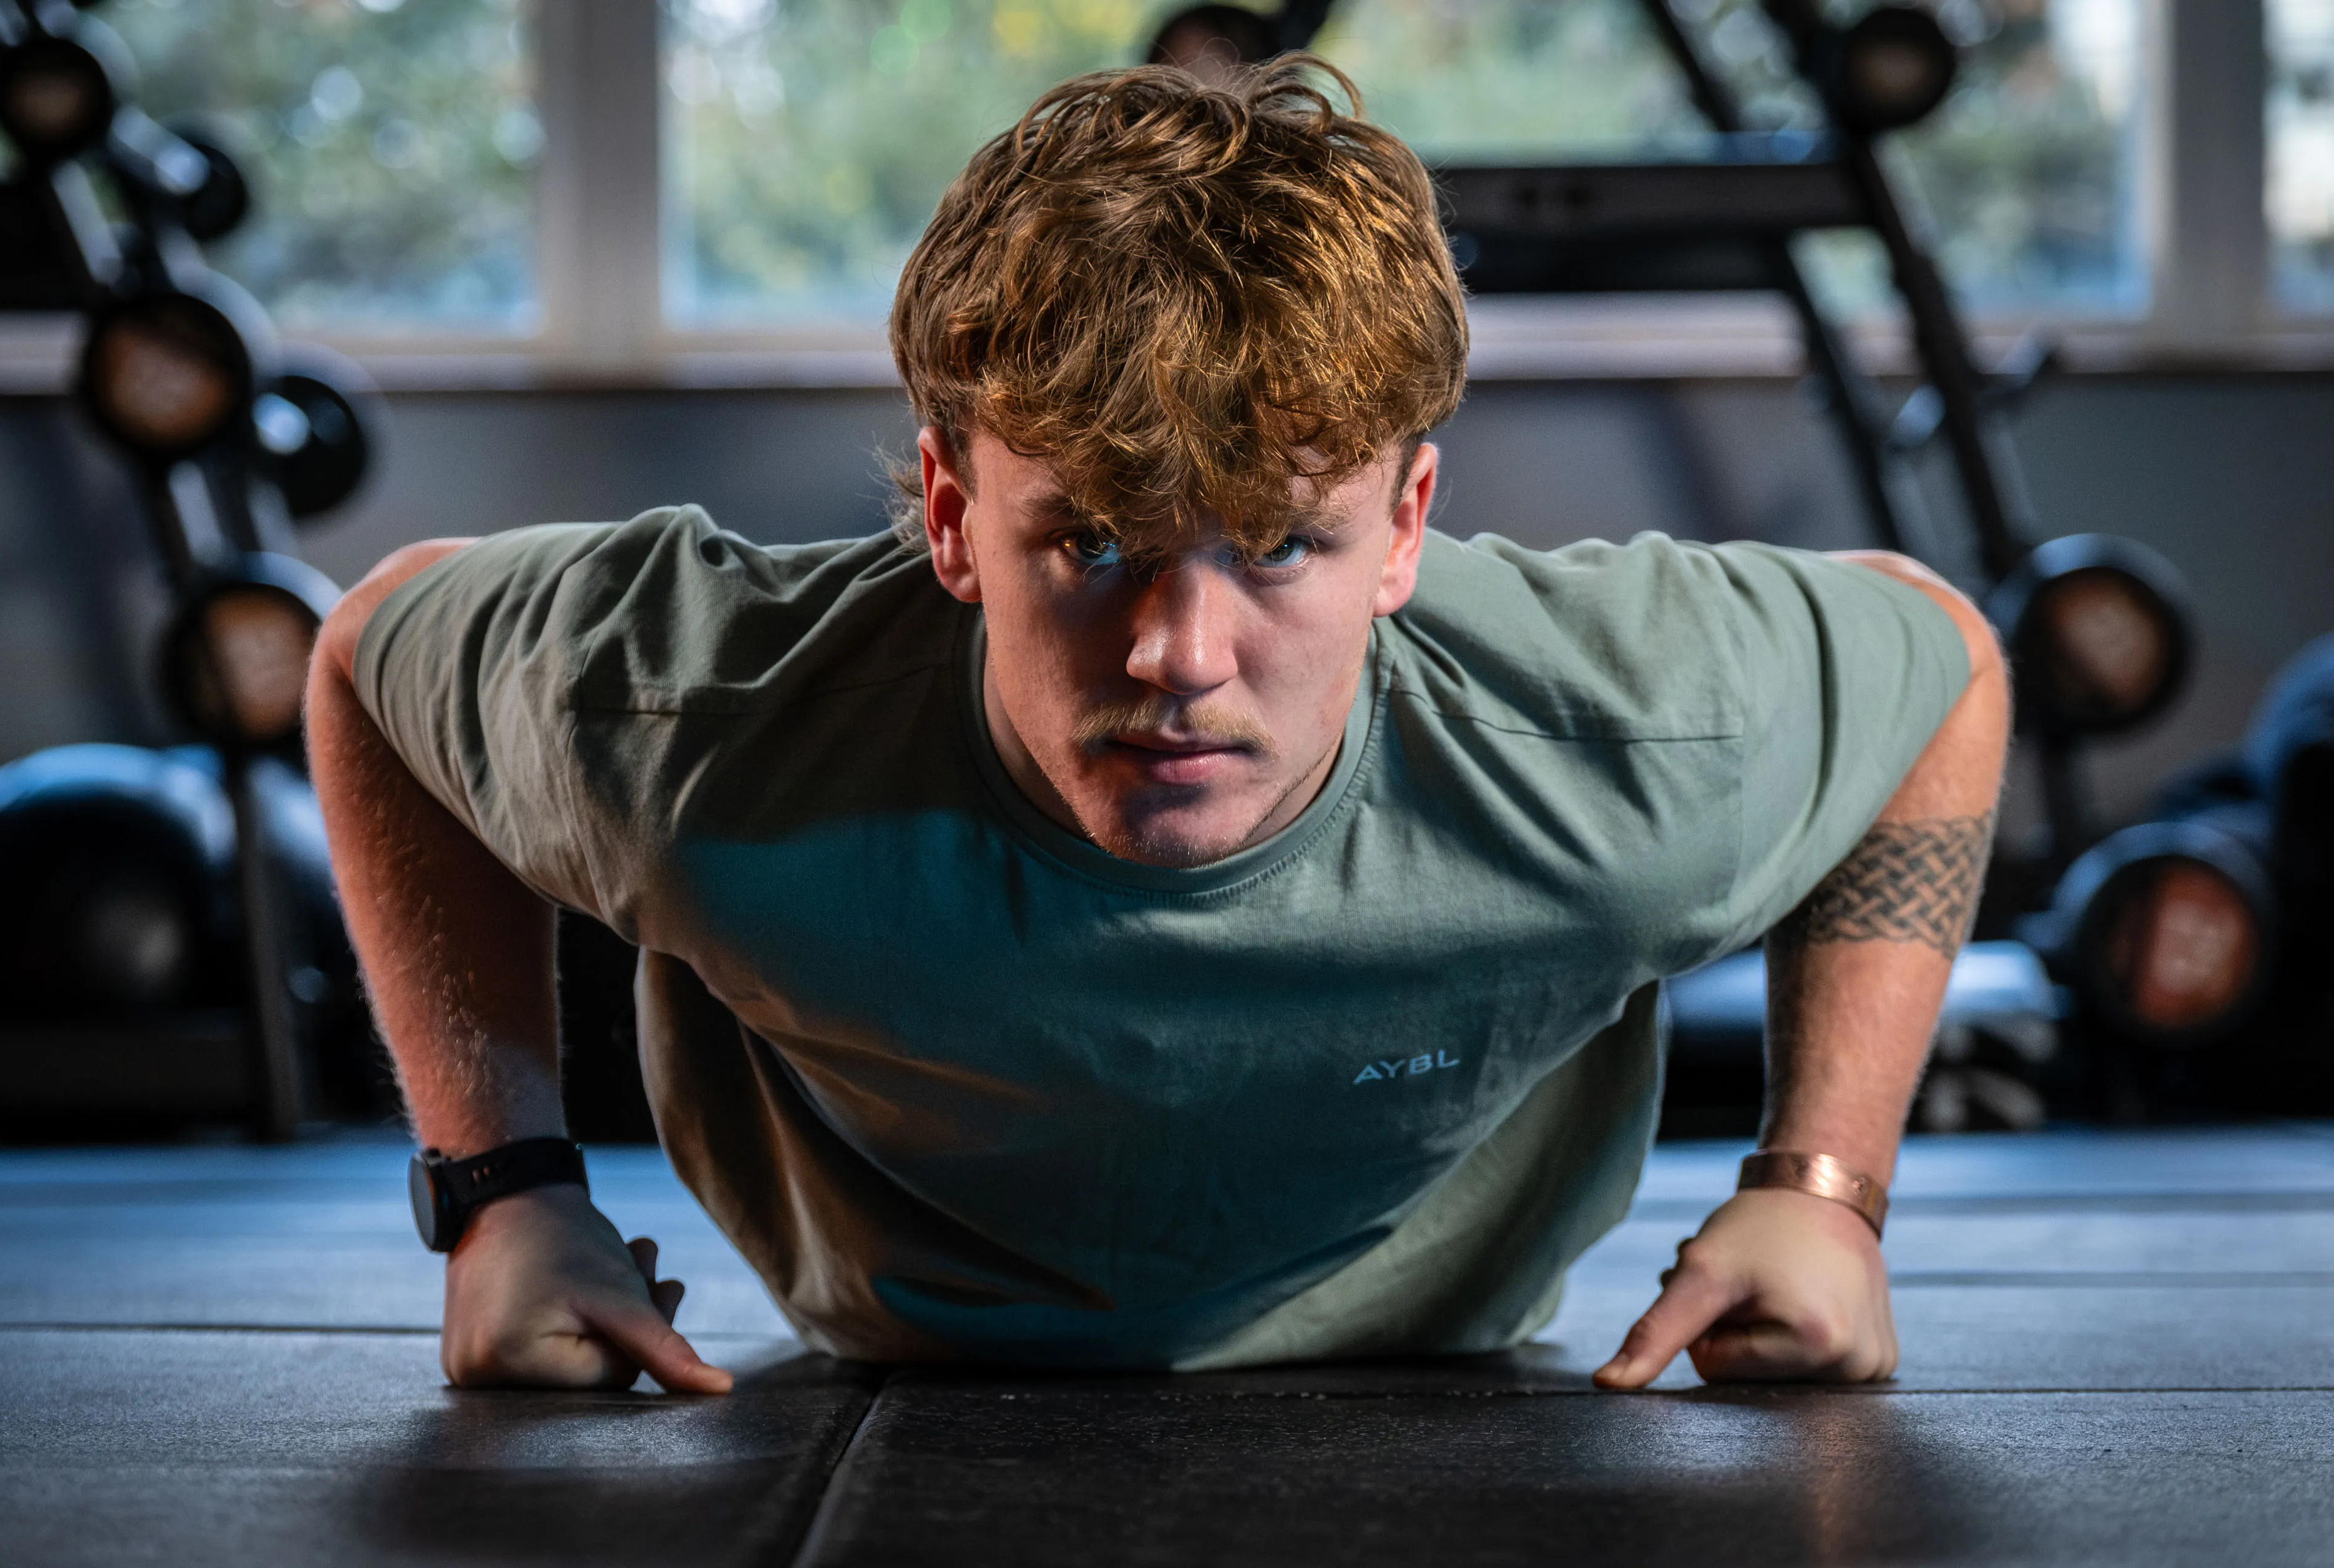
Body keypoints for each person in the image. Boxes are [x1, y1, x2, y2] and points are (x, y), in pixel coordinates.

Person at [306, 58, 2006, 1396]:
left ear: (1406, 526)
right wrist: (505, 1191)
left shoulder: (1622, 736)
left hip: (1447, 1375)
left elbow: (1944, 662)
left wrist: (1826, 1186)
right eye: (1090, 544)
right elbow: (373, 653)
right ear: (953, 514)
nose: (1182, 653)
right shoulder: (702, 729)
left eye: (1280, 546)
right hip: (903, 1373)